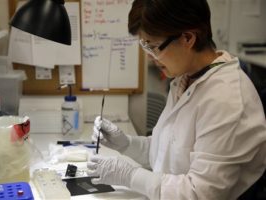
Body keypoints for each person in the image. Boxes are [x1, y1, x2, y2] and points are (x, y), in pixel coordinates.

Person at [86, 0, 266, 199]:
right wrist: (126, 144)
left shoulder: (225, 99)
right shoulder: (187, 77)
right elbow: (169, 154)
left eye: (153, 46)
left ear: (187, 38)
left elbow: (201, 193)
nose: (150, 57)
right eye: (145, 46)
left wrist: (130, 176)